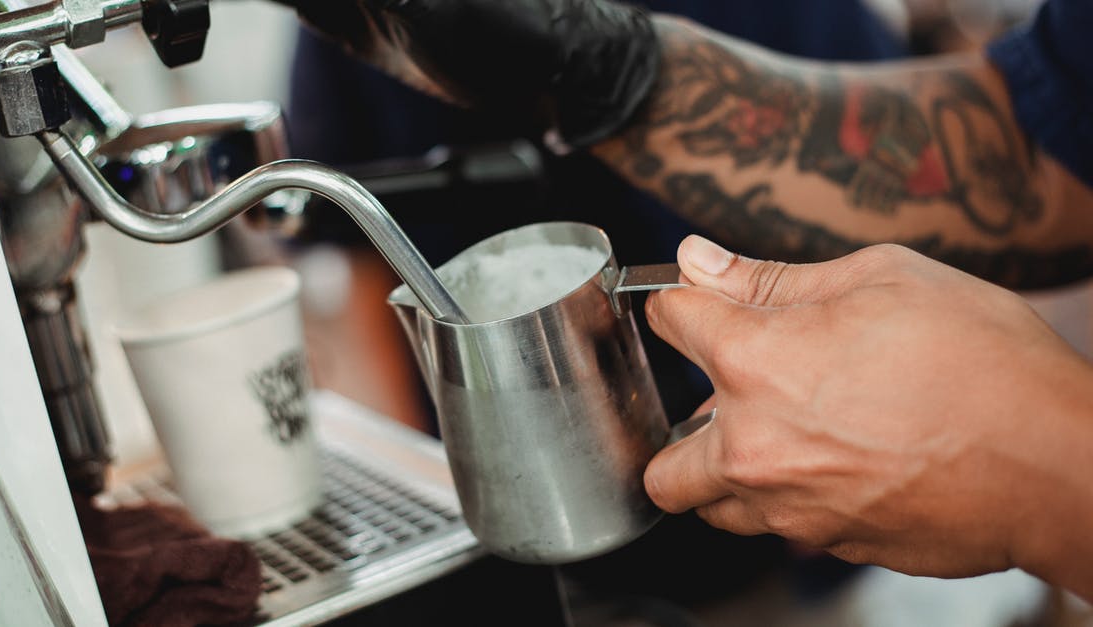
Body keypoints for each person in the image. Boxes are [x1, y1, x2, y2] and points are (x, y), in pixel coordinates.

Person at [277, 0, 1093, 602]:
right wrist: (610, 73)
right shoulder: (370, 41)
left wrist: (1029, 458)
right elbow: (1036, 141)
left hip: (783, 562)